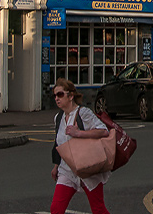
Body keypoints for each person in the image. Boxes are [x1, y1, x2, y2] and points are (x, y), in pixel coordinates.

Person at [50, 78, 112, 214]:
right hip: (67, 170)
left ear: (71, 96)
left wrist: (79, 133)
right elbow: (59, 144)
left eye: (60, 94)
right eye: (54, 95)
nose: (56, 98)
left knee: (98, 209)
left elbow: (103, 131)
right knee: (56, 209)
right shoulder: (58, 118)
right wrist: (56, 166)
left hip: (88, 167)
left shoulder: (83, 113)